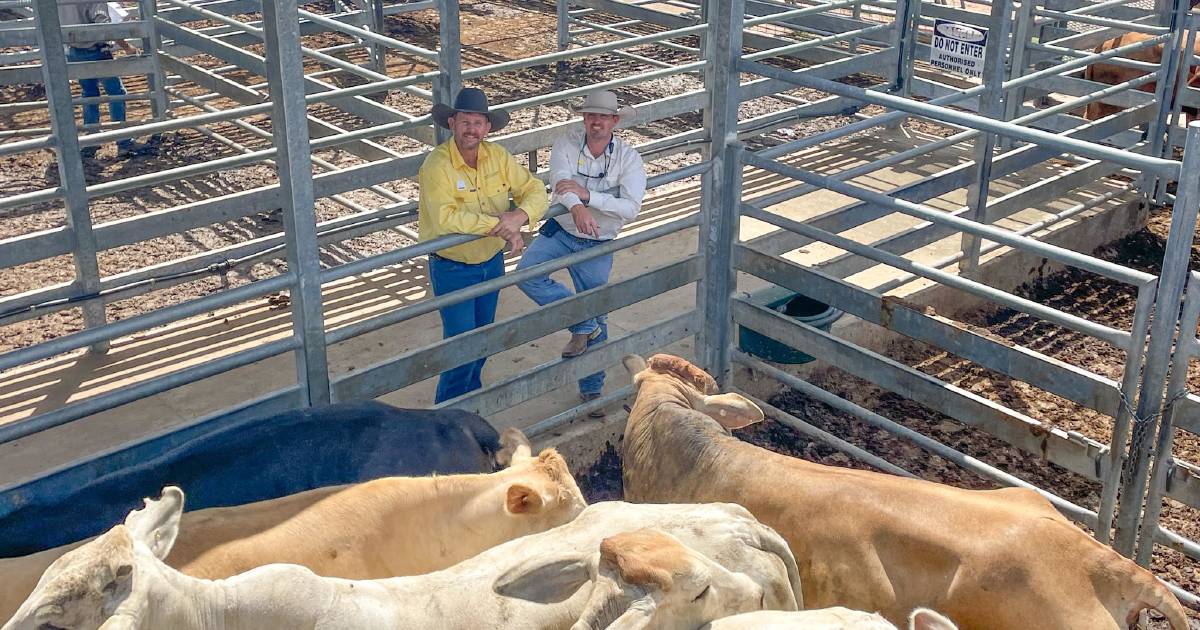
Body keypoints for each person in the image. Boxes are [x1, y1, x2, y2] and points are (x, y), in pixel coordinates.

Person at [516, 90, 646, 417]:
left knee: (598, 307)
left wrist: (588, 197)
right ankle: (583, 323)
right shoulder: (567, 142)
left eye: (603, 117)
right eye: (591, 116)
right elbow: (561, 180)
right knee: (527, 275)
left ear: (615, 121)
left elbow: (631, 208)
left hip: (599, 241)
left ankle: (592, 390)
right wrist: (576, 208)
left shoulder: (629, 158)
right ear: (584, 118)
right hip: (562, 230)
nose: (596, 122)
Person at [419, 87, 548, 403]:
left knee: (483, 339)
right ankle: (447, 414)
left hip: (491, 262)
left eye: (478, 123)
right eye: (465, 122)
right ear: (452, 123)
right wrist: (501, 227)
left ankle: (469, 405)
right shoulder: (436, 166)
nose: (471, 129)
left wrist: (519, 216)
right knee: (461, 345)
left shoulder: (498, 156)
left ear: (488, 128)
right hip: (453, 266)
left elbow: (535, 189)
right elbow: (445, 217)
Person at [58, 1, 150, 159]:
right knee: (116, 93)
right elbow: (104, 25)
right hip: (96, 50)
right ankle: (123, 142)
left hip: (74, 51)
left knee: (89, 93)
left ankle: (92, 139)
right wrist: (126, 46)